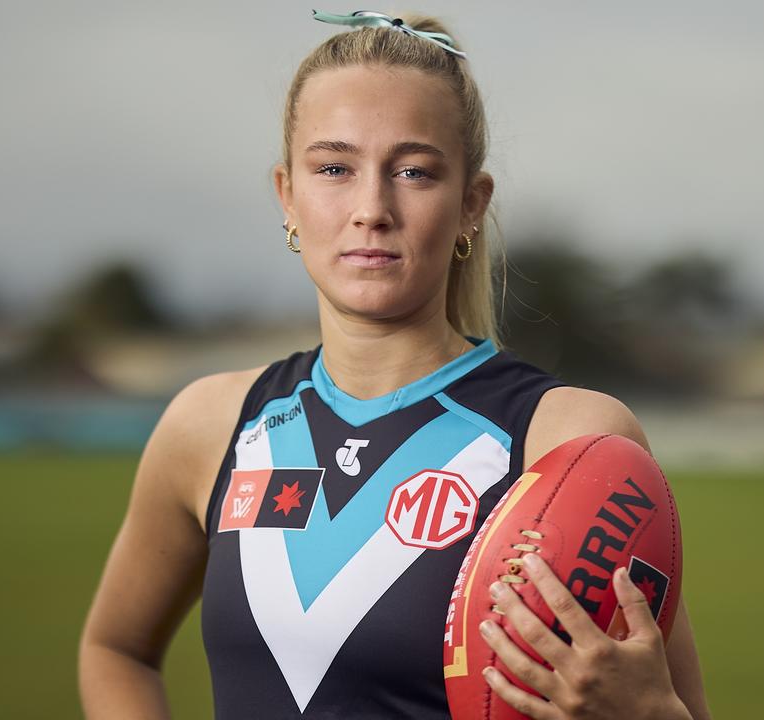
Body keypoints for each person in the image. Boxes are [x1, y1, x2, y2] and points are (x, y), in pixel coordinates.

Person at [79, 10, 712, 720]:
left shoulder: (569, 443)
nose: (371, 208)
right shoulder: (212, 424)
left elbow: (672, 706)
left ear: (471, 204)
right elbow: (116, 649)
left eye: (413, 171)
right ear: (287, 196)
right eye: (334, 168)